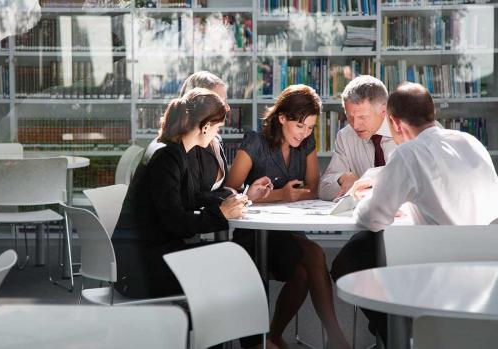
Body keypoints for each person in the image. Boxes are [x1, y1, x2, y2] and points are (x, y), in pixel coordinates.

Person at [331, 82, 498, 344]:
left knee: (350, 260)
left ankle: (400, 337)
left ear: (393, 122)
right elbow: (448, 197)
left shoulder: (409, 153)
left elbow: (369, 219)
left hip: (447, 270)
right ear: (433, 114)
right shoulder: (470, 142)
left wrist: (363, 198)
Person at [226, 84, 351, 349]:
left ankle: (283, 336)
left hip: (285, 232)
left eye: (310, 128)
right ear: (282, 118)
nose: (305, 134)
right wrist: (280, 195)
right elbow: (231, 190)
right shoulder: (255, 142)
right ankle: (332, 338)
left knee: (309, 263)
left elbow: (314, 187)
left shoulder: (306, 144)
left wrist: (292, 195)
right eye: (300, 126)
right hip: (253, 234)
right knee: (312, 258)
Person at [112, 88, 249, 298]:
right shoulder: (166, 158)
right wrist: (221, 214)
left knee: (231, 258)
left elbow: (187, 198)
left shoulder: (172, 150)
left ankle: (209, 329)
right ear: (205, 127)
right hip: (139, 269)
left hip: (147, 254)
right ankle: (210, 329)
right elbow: (176, 223)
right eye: (218, 127)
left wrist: (225, 198)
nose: (218, 134)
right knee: (232, 267)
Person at [319, 75, 396, 201]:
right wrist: (341, 179)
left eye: (362, 117)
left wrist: (374, 179)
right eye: (350, 117)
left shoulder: (406, 130)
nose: (355, 125)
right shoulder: (345, 136)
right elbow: (322, 189)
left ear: (383, 111)